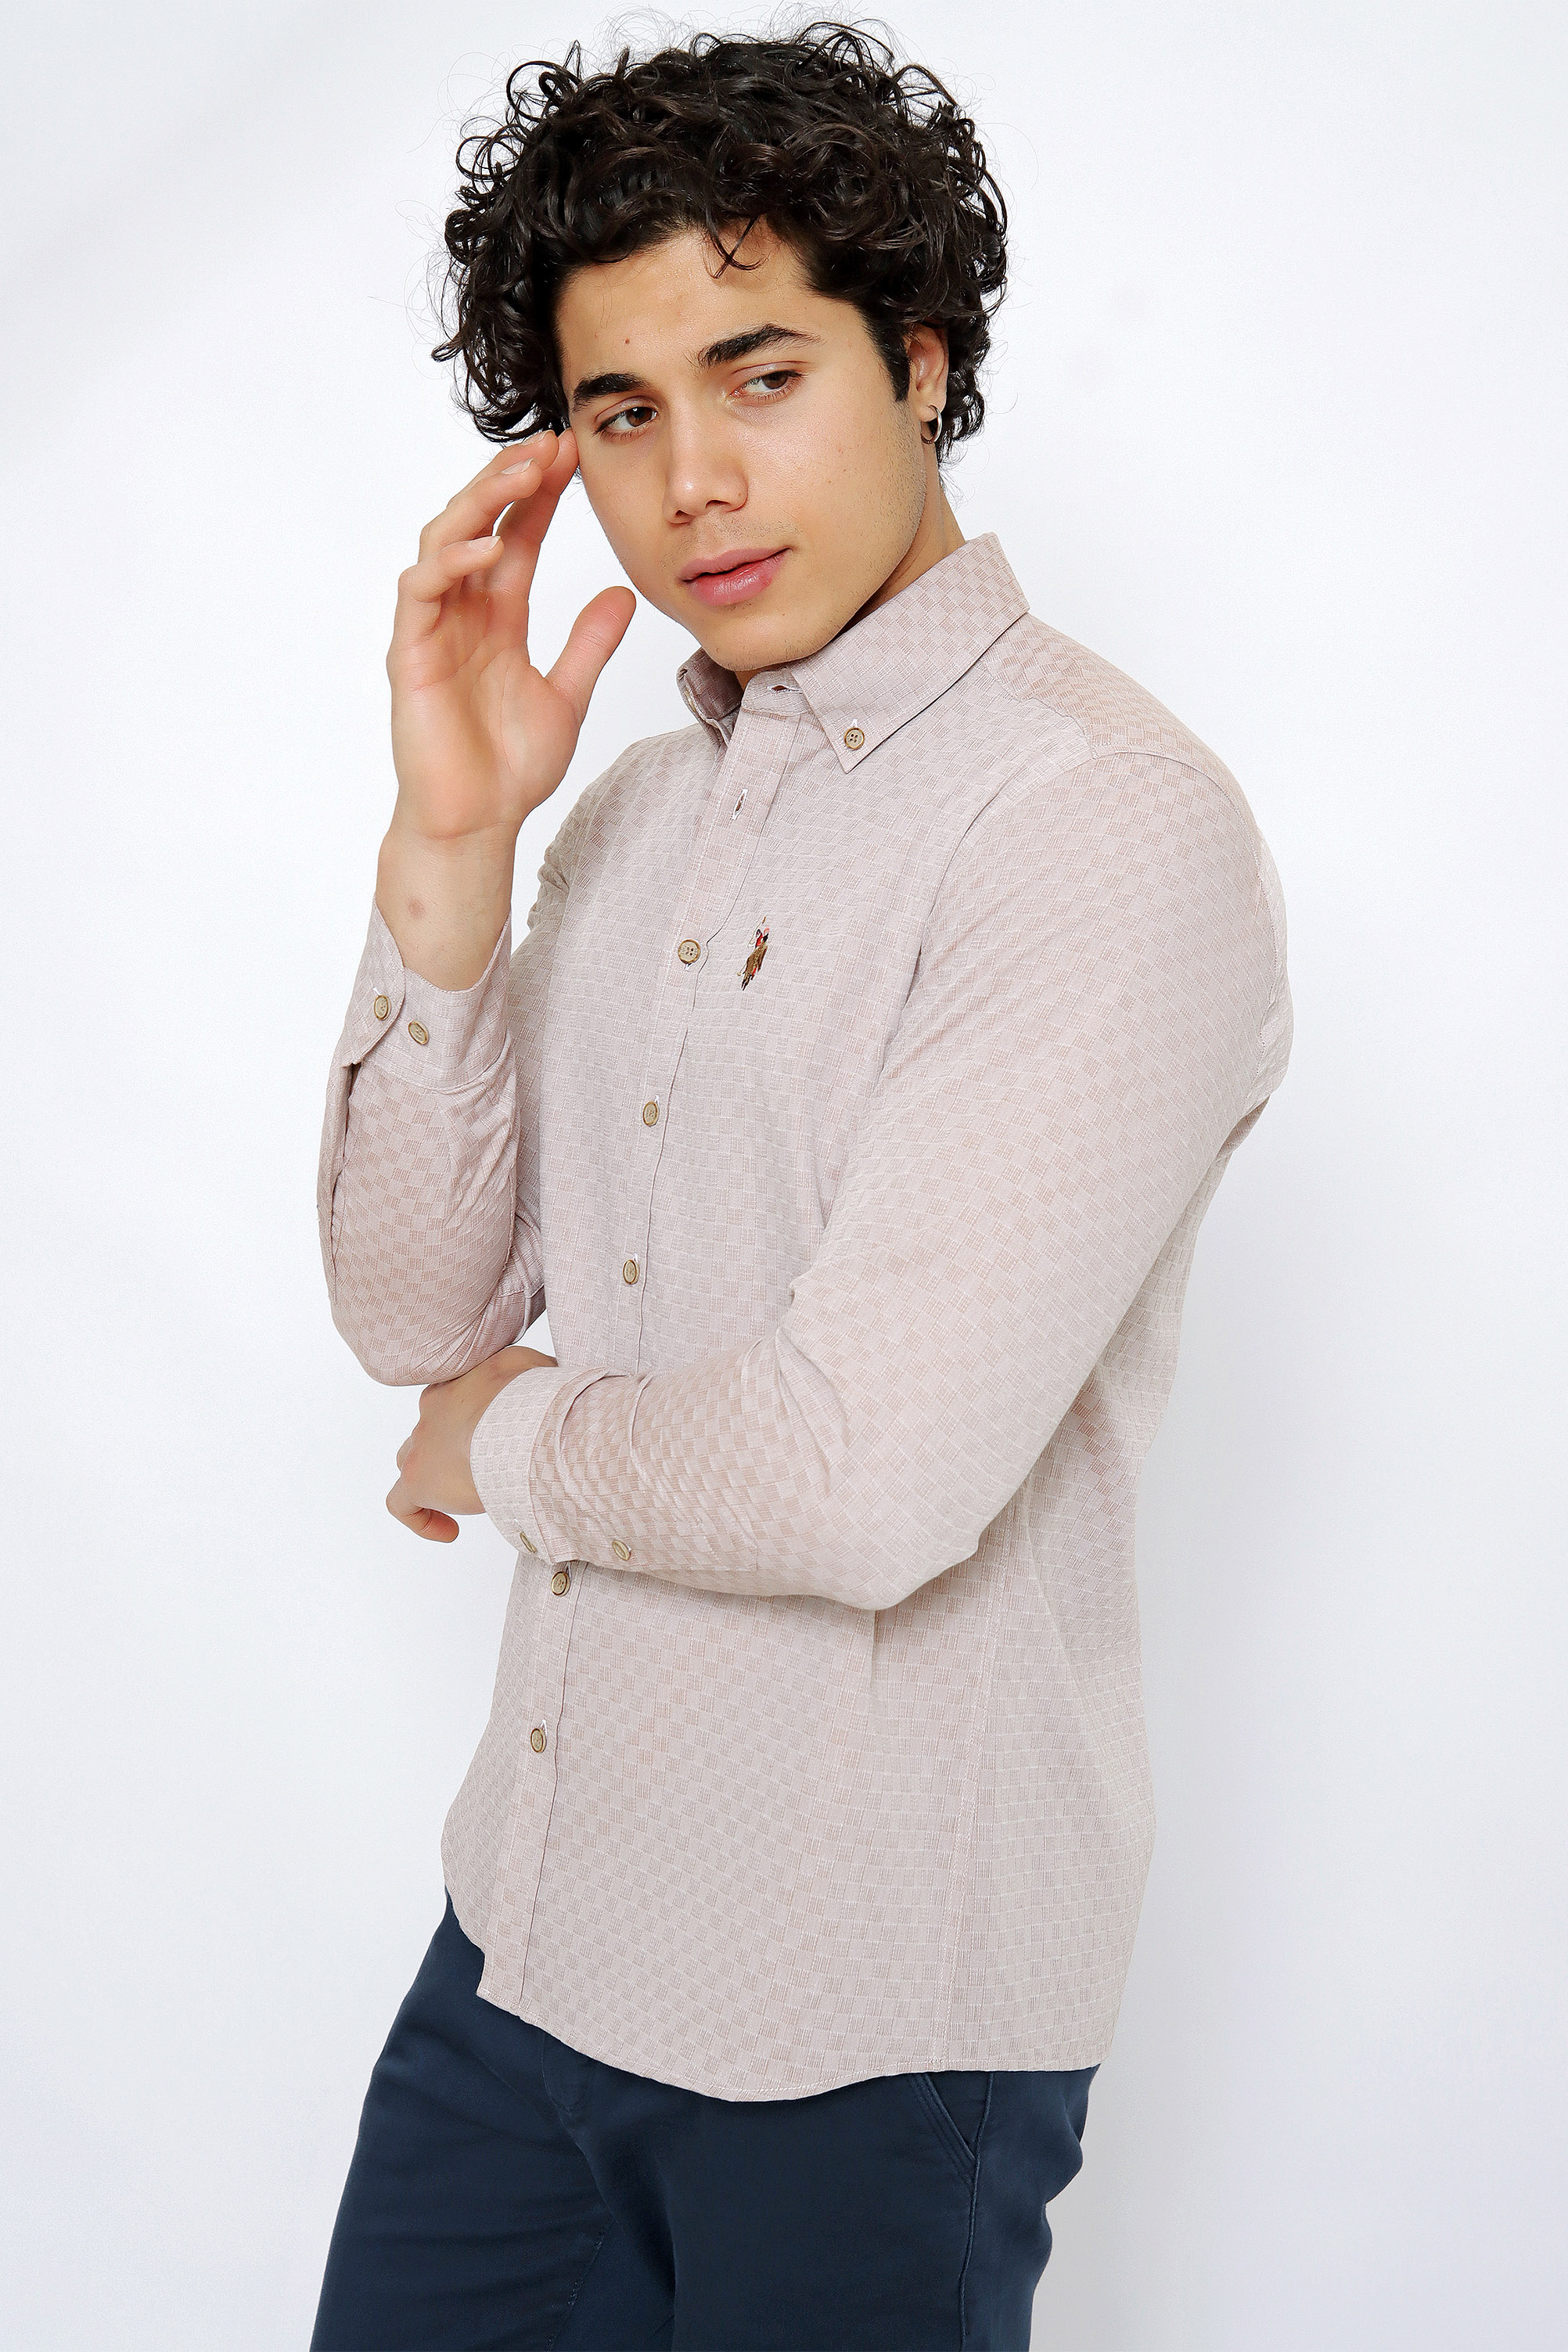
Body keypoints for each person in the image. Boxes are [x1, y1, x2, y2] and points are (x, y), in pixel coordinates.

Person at [309, 22, 1293, 2350]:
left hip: (858, 2023)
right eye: (622, 415)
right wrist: (452, 847)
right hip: (528, 1940)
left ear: (919, 360)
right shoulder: (638, 810)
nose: (694, 485)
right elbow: (410, 1309)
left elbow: (865, 1479)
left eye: (761, 375)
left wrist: (497, 1447)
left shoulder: (1096, 825)